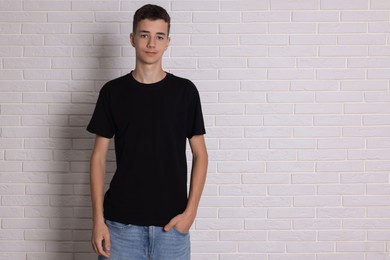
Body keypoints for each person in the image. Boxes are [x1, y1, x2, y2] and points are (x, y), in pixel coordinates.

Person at [86, 4, 208, 260]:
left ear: (167, 42)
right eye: (144, 35)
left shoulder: (185, 92)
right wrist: (98, 220)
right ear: (132, 39)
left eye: (159, 36)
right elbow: (98, 158)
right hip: (120, 229)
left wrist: (191, 212)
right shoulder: (113, 92)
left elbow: (200, 154)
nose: (151, 43)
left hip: (172, 230)